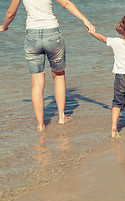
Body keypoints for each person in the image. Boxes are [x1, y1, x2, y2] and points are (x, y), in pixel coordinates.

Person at [0, 0, 95, 131]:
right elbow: (66, 4)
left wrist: (4, 26)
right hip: (52, 34)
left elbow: (11, 13)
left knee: (37, 84)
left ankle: (40, 125)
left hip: (32, 37)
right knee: (59, 76)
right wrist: (85, 20)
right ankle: (61, 117)